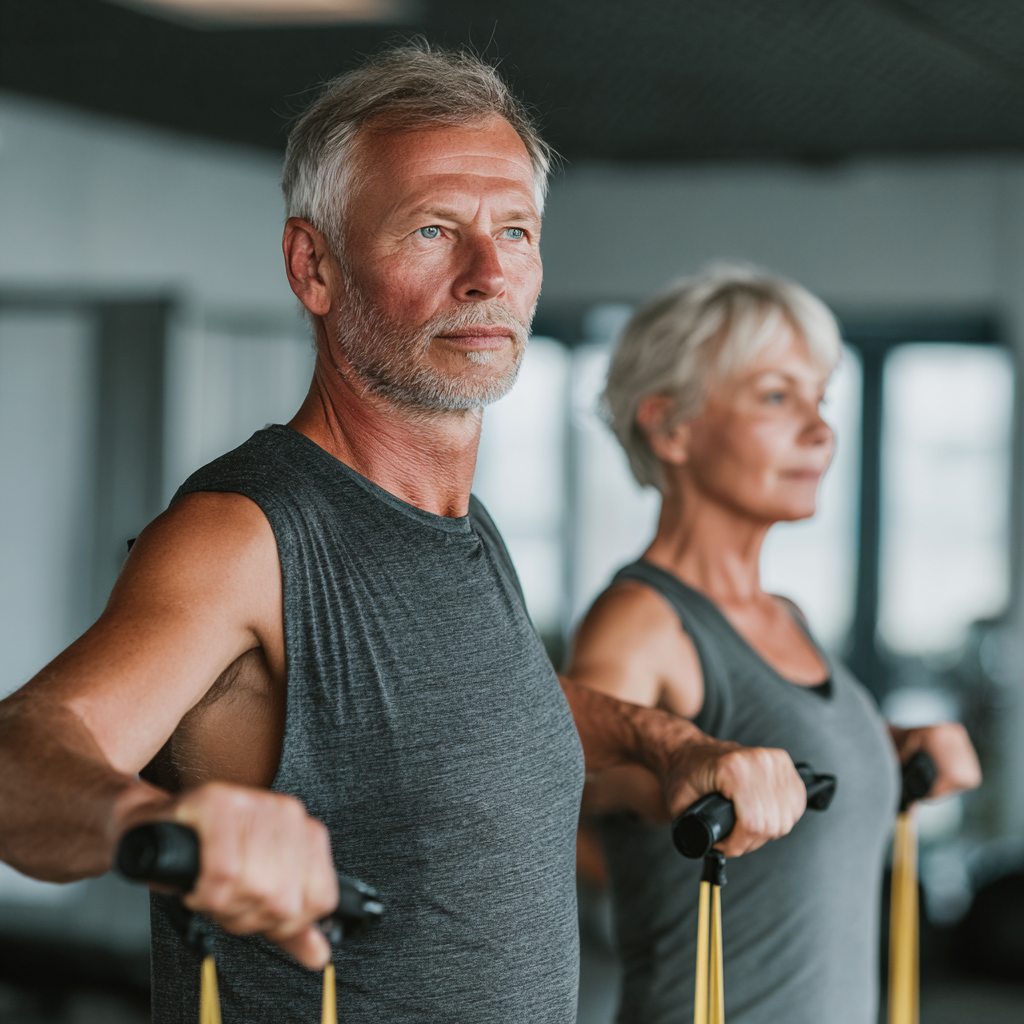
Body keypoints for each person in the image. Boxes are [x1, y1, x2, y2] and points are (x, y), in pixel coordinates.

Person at [0, 49, 809, 1024]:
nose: (488, 274)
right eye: (433, 230)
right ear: (314, 266)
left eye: (515, 230)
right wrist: (155, 820)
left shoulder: (465, 528)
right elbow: (22, 753)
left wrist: (666, 741)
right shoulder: (245, 534)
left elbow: (473, 705)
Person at [567, 265, 982, 1024]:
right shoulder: (642, 618)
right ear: (670, 426)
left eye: (819, 399)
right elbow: (561, 781)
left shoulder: (785, 615)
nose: (820, 429)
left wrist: (889, 746)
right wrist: (657, 781)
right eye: (775, 397)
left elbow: (776, 754)